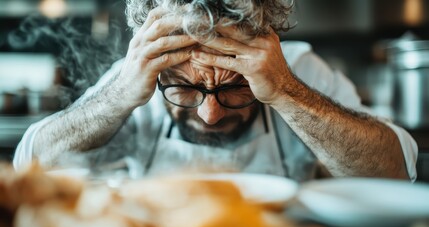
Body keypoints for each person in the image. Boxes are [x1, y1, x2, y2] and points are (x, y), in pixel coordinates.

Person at [13, 0, 417, 182]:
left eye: (236, 88)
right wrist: (117, 96)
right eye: (187, 89)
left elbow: (396, 169)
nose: (211, 115)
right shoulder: (135, 79)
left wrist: (286, 92)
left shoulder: (295, 74)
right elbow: (28, 162)